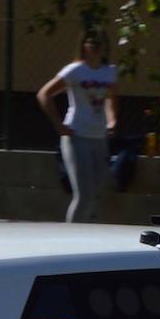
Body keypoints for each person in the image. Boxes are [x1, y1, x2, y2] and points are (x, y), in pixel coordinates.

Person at [36, 30, 118, 223]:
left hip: (100, 139)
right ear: (83, 45)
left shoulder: (109, 71)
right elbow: (44, 94)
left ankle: (88, 234)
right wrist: (59, 126)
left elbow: (111, 98)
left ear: (106, 46)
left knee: (96, 194)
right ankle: (71, 235)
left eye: (100, 42)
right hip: (77, 137)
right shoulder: (75, 70)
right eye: (91, 42)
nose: (95, 46)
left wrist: (112, 120)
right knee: (85, 194)